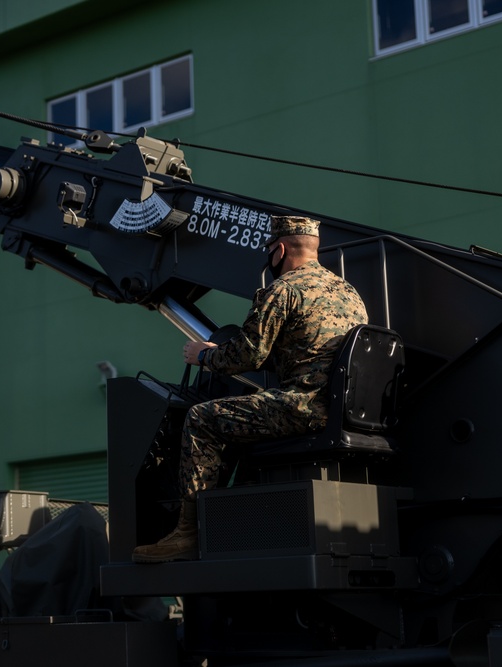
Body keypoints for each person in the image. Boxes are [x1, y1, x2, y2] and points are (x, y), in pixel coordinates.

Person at [131, 215, 368, 563]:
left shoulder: (283, 290)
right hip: (340, 408)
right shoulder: (349, 293)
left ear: (280, 249)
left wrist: (203, 357)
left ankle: (188, 534)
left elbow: (249, 353)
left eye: (270, 250)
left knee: (201, 418)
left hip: (301, 407)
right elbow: (312, 353)